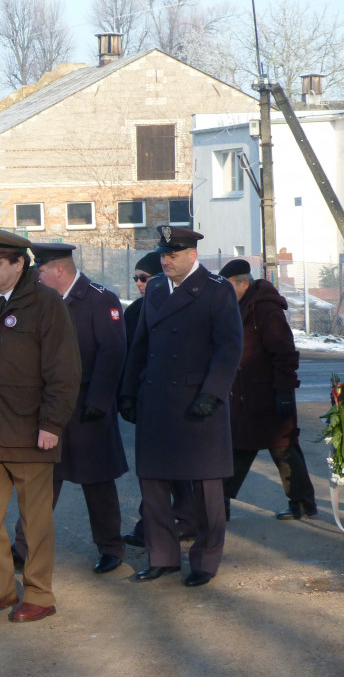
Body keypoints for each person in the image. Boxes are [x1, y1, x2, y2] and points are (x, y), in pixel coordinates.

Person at [0, 230, 80, 624]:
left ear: (19, 264)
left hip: (30, 433)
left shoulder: (47, 304)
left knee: (35, 523)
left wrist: (52, 422)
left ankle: (39, 594)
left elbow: (64, 370)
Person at [120, 226, 243, 588]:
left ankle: (205, 560)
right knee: (154, 483)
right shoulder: (157, 287)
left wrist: (213, 392)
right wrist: (128, 390)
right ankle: (163, 557)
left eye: (172, 255)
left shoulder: (217, 290)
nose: (165, 260)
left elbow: (229, 347)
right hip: (157, 398)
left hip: (198, 402)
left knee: (205, 487)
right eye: (163, 255)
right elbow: (140, 343)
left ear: (192, 255)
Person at [12, 243, 127, 575]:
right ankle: (23, 547)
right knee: (42, 479)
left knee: (98, 481)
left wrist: (99, 402)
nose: (35, 275)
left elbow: (113, 353)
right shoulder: (40, 300)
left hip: (88, 405)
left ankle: (110, 547)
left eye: (41, 269)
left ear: (58, 270)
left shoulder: (99, 298)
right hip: (50, 406)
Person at [219, 259, 318, 521]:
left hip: (271, 395)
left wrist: (284, 391)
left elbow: (285, 353)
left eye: (229, 286)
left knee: (284, 449)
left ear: (244, 283)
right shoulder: (235, 307)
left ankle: (302, 503)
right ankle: (218, 505)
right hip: (244, 396)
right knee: (238, 448)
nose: (224, 292)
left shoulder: (266, 311)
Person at [120, 251, 197, 548]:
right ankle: (157, 523)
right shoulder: (136, 310)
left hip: (174, 399)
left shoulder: (178, 308)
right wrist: (125, 394)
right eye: (136, 278)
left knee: (171, 467)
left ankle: (179, 520)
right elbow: (128, 354)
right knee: (153, 469)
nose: (140, 284)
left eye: (145, 278)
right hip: (145, 397)